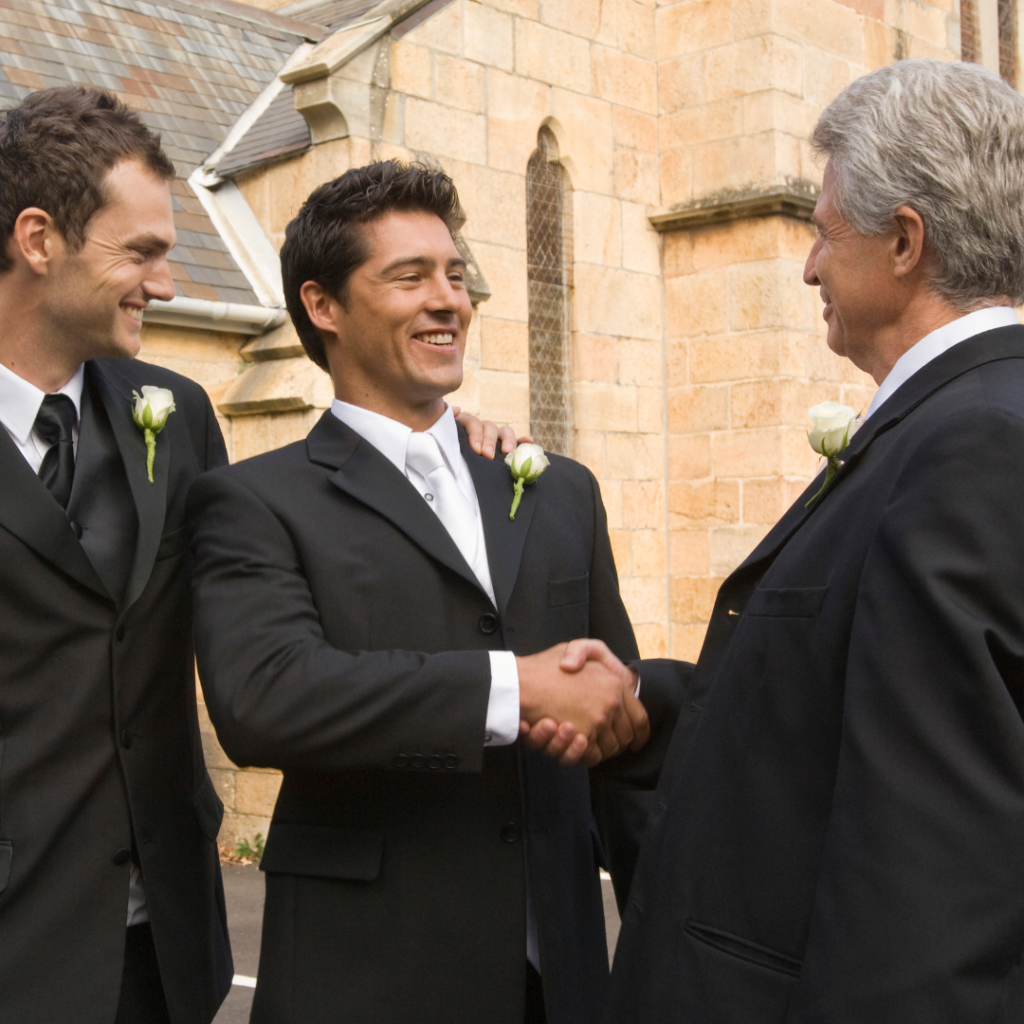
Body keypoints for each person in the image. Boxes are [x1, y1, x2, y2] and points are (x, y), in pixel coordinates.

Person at [187, 160, 662, 1024]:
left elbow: (609, 724)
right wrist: (514, 687)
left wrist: (664, 947)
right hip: (365, 974)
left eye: (455, 273)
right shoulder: (254, 501)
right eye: (409, 277)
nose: (450, 299)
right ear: (323, 306)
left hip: (561, 977)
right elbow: (266, 698)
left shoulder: (557, 489)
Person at [599, 59, 1024, 1023]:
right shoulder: (951, 424)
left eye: (824, 233)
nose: (807, 266)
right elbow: (839, 695)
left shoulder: (973, 446)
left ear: (905, 240)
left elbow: (924, 871)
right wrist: (647, 701)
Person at [0, 87, 233, 1023]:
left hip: (163, 954)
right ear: (38, 239)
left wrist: (431, 450)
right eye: (140, 253)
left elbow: (276, 572)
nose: (167, 285)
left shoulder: (175, 415)